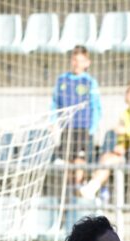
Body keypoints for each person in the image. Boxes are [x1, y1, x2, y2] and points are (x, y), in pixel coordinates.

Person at [52, 45, 102, 189]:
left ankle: (77, 188)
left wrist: (92, 128)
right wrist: (54, 123)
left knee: (80, 160)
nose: (76, 64)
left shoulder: (90, 82)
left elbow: (96, 107)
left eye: (80, 60)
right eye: (74, 60)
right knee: (67, 160)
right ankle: (68, 191)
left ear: (87, 63)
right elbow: (54, 103)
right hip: (67, 127)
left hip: (83, 128)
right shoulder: (62, 80)